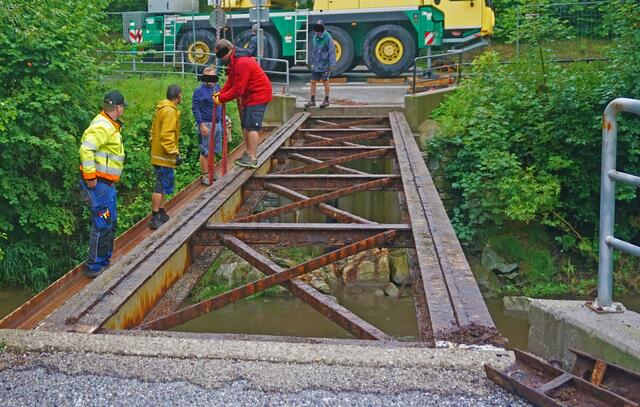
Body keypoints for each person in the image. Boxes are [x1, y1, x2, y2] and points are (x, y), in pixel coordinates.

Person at [78, 90, 127, 278]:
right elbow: (86, 149)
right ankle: (94, 266)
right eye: (123, 107)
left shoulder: (109, 125)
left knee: (110, 223)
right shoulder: (103, 126)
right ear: (119, 107)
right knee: (102, 222)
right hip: (98, 186)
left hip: (106, 187)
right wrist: (90, 177)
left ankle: (104, 261)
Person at [213, 38, 272, 169]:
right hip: (250, 96)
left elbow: (238, 89)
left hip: (259, 95)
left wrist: (221, 99)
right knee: (246, 124)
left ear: (228, 50)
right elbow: (231, 81)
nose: (220, 59)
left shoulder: (242, 62)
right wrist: (220, 93)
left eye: (221, 55)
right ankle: (248, 152)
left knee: (252, 126)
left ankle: (252, 157)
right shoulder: (234, 61)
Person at [149, 84, 182, 230]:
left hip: (159, 155)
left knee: (163, 186)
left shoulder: (162, 109)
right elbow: (166, 135)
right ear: (178, 96)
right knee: (159, 186)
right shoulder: (169, 111)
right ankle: (155, 216)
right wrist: (174, 152)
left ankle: (162, 212)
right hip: (164, 156)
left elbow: (153, 131)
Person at [192, 66, 227, 185]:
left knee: (215, 150)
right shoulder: (199, 91)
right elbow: (195, 109)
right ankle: (205, 175)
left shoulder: (217, 87)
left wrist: (224, 121)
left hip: (217, 124)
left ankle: (212, 171)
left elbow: (221, 103)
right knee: (205, 151)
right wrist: (201, 125)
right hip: (206, 124)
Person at [304, 20, 336, 109]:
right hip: (316, 64)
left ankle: (326, 100)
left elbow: (332, 51)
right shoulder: (315, 36)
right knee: (313, 81)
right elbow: (314, 51)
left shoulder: (328, 37)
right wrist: (312, 63)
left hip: (325, 63)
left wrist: (332, 64)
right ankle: (312, 100)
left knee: (325, 81)